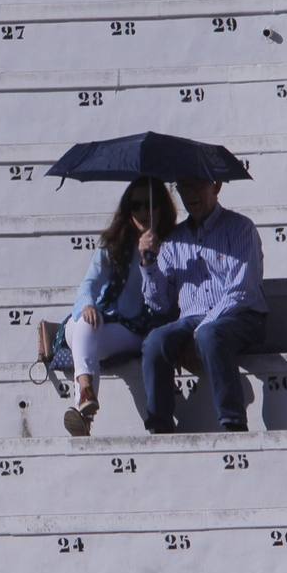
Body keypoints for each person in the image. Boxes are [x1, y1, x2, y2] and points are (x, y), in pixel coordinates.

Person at [137, 179, 268, 433]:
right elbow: (159, 304)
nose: (190, 193)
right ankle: (159, 426)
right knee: (155, 342)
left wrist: (204, 326)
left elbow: (242, 290)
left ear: (216, 186)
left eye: (197, 185)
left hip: (241, 315)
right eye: (184, 187)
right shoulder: (174, 240)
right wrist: (149, 263)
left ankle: (233, 422)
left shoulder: (240, 228)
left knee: (210, 334)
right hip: (192, 318)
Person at [62, 176, 178, 436]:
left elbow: (163, 303)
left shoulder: (171, 246)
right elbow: (88, 285)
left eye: (149, 205)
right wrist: (88, 305)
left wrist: (150, 258)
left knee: (86, 330)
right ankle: (85, 396)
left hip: (135, 328)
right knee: (82, 322)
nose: (142, 212)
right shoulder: (113, 244)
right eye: (135, 206)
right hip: (100, 322)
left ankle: (84, 407)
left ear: (161, 208)